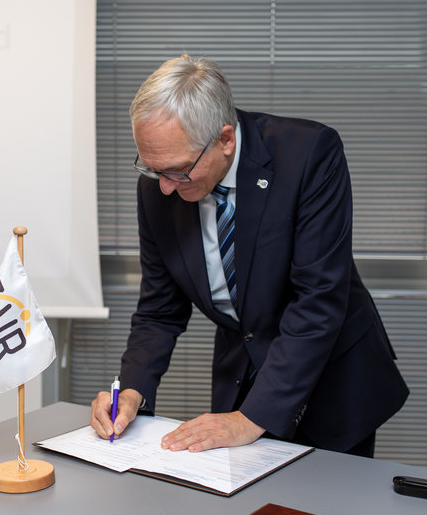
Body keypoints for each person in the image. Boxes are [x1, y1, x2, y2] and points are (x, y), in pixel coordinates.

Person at [90, 54, 408, 457]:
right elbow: (159, 310)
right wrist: (131, 391)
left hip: (331, 379)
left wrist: (250, 418)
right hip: (242, 374)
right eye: (153, 170)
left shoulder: (309, 155)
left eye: (177, 170)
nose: (165, 188)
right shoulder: (158, 187)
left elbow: (318, 300)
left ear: (226, 140)